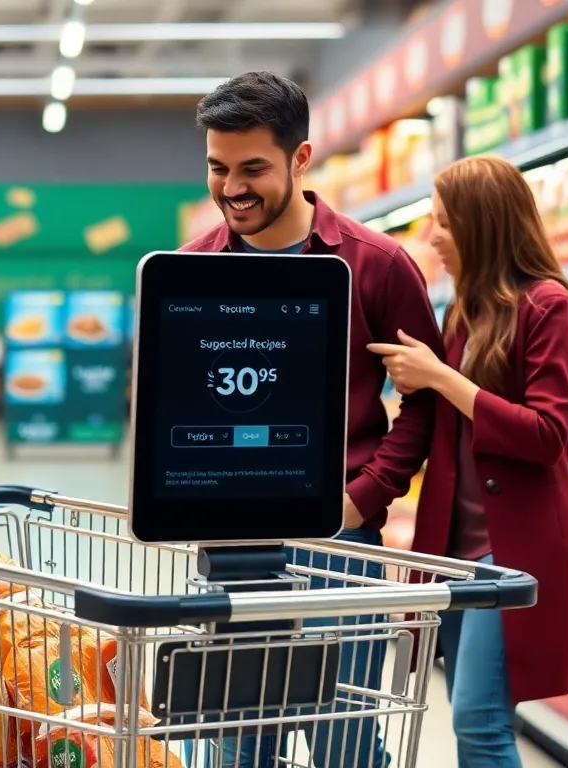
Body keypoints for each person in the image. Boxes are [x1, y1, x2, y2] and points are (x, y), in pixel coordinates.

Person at [180, 71, 443, 768]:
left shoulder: (378, 264)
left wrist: (363, 499)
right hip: (234, 551)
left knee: (344, 743)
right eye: (217, 167)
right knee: (238, 746)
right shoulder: (190, 269)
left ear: (301, 160)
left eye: (253, 169)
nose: (231, 188)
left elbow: (424, 399)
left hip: (342, 551)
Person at [368, 155, 568, 766]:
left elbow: (547, 433)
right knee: (472, 713)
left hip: (514, 547)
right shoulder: (466, 311)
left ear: (482, 225)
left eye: (443, 223)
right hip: (457, 552)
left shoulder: (548, 306)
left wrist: (445, 378)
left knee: (478, 722)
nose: (432, 238)